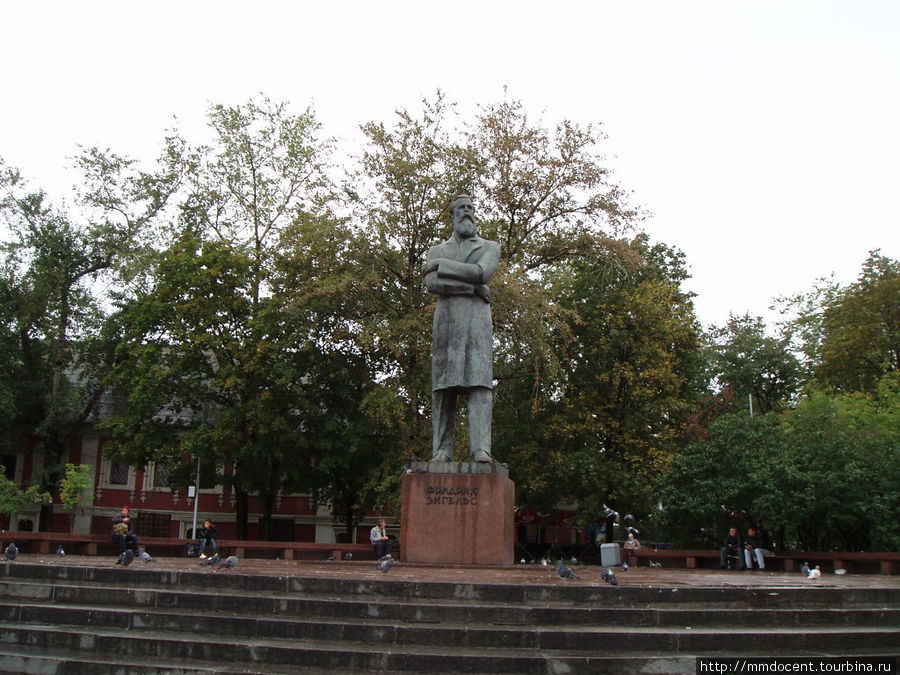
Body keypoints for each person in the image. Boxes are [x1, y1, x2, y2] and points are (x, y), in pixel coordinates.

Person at [423, 194, 501, 462]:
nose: (467, 212)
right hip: (446, 325)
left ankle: (481, 449)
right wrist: (474, 288)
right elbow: (433, 285)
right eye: (461, 209)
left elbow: (482, 272)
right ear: (452, 216)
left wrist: (442, 267)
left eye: (470, 208)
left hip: (477, 324)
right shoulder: (436, 249)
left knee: (479, 385)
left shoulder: (490, 246)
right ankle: (441, 451)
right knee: (444, 389)